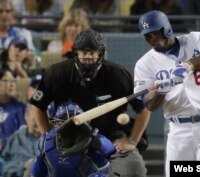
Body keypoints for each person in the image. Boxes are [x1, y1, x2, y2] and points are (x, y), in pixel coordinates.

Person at [30, 29, 150, 177]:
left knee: (134, 170)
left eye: (93, 53)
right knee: (31, 169)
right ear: (75, 53)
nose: (88, 57)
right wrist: (48, 136)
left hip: (111, 137)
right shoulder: (56, 74)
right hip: (68, 138)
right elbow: (37, 106)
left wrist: (132, 140)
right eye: (83, 53)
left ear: (101, 54)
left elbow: (143, 110)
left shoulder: (119, 75)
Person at [134, 10, 200, 176]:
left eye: (155, 33)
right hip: (179, 131)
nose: (152, 39)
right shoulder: (145, 64)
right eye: (147, 36)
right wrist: (161, 91)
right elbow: (149, 104)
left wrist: (189, 65)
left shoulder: (196, 39)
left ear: (166, 29)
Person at [31, 102, 115, 177]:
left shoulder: (92, 137)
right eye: (64, 121)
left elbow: (110, 149)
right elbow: (36, 173)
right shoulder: (46, 141)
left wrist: (95, 141)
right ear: (56, 123)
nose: (70, 127)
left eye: (74, 121)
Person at [1, 103, 41, 177]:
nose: (39, 129)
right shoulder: (16, 138)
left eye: (40, 124)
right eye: (35, 125)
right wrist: (24, 165)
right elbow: (5, 168)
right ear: (26, 117)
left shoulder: (50, 139)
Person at [0, 68, 26, 152]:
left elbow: (23, 136)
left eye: (13, 81)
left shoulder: (21, 108)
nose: (10, 84)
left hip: (12, 153)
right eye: (5, 81)